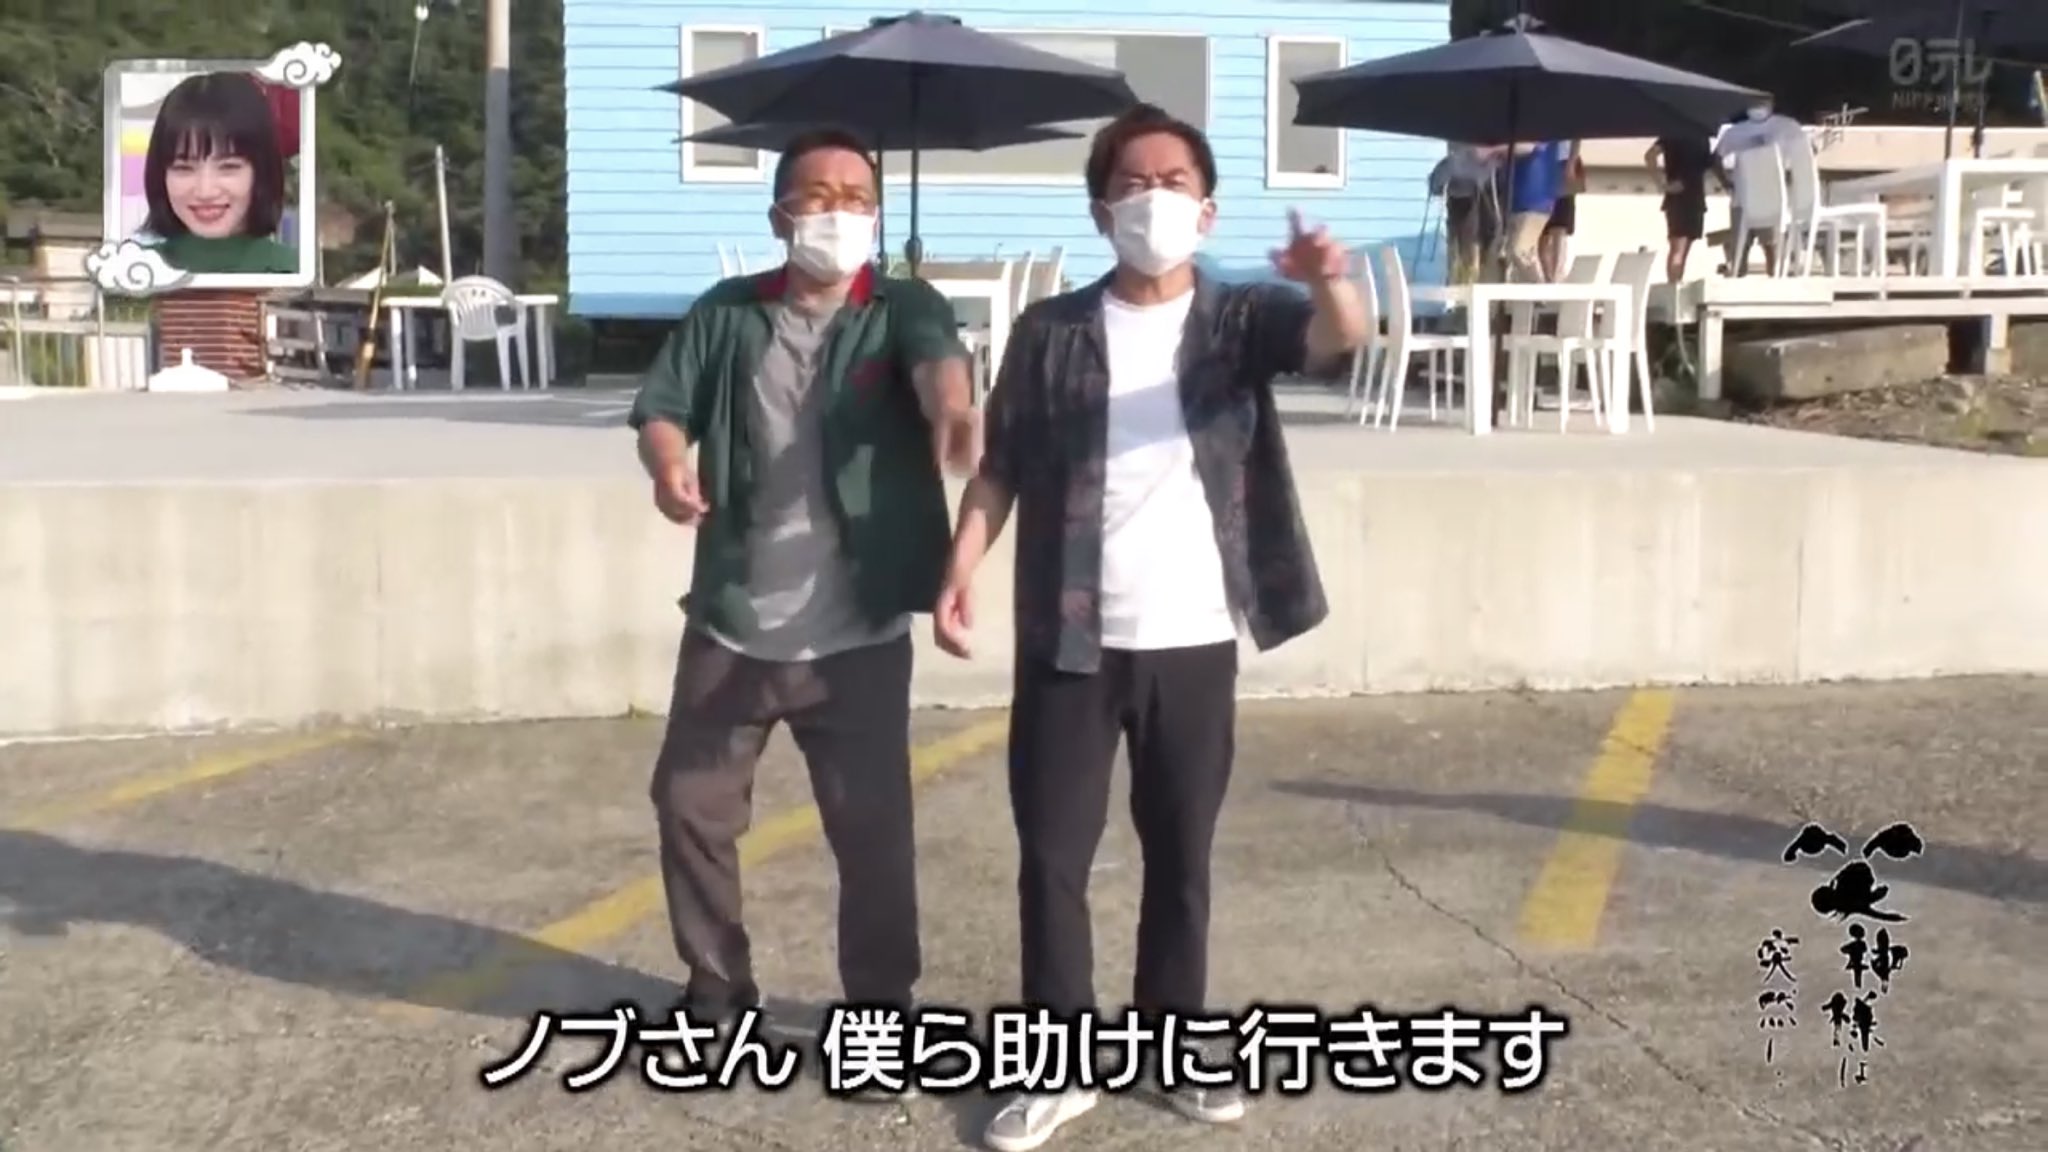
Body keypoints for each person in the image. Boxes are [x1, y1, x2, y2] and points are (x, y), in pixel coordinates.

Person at [933, 103, 1365, 1152]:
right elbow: (999, 465)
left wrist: (1328, 279)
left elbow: (1339, 339)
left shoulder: (1238, 318)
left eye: (1174, 182)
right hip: (1069, 639)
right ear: (1100, 210)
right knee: (1052, 856)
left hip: (1193, 634)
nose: (1153, 199)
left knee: (1180, 854)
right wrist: (959, 566)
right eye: (1132, 183)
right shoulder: (1050, 332)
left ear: (1207, 211)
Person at [627, 129, 979, 1039]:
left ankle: (880, 1007)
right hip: (734, 619)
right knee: (689, 805)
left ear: (877, 216)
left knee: (871, 831)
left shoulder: (902, 305)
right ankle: (717, 985)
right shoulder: (728, 312)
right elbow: (662, 408)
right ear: (780, 215)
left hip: (856, 633)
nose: (838, 213)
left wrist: (953, 414)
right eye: (818, 196)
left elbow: (940, 366)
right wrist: (668, 467)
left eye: (857, 198)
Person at [141, 71, 297, 275]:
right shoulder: (131, 271)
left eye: (229, 167)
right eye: (183, 168)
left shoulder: (295, 273)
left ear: (262, 171)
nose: (205, 192)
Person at [1714, 98, 1804, 276]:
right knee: (1739, 253)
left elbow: (1806, 152)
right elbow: (1716, 158)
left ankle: (1774, 284)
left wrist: (1792, 179)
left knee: (1772, 249)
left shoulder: (1787, 127)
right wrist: (1726, 182)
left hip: (1772, 201)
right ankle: (1738, 286)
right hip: (1741, 201)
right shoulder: (1735, 132)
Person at [1645, 133, 1718, 282]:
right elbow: (1650, 155)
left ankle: (1676, 283)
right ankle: (1673, 285)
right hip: (1683, 196)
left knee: (1682, 249)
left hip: (1693, 196)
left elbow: (1709, 164)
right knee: (1678, 248)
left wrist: (1662, 184)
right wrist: (1662, 184)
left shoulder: (1697, 136)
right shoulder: (1678, 134)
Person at [1433, 143, 1498, 286]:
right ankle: (1463, 284)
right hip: (1463, 208)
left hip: (1473, 208)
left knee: (1465, 250)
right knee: (1463, 251)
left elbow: (1435, 186)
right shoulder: (1454, 163)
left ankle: (1465, 283)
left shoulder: (1452, 163)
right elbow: (1436, 185)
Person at [1539, 140, 1583, 282]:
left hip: (1563, 162)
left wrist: (1571, 162)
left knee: (1559, 226)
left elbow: (1576, 138)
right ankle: (1548, 277)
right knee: (1543, 228)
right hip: (1544, 162)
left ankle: (1556, 275)